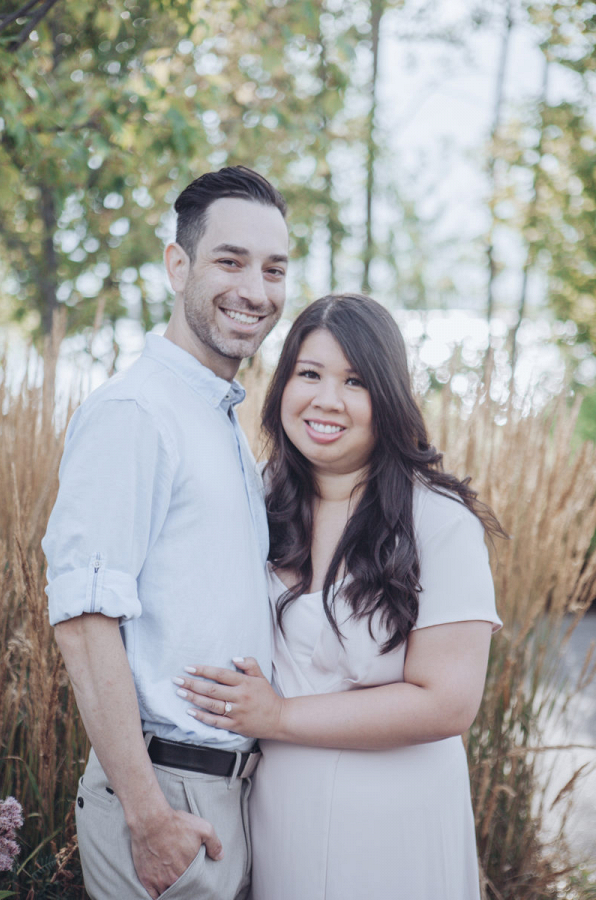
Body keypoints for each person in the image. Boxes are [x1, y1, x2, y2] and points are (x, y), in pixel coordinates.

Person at [172, 293, 505, 900]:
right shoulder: (256, 500)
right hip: (279, 818)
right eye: (309, 374)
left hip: (397, 823)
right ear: (282, 387)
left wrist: (278, 716)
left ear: (388, 397)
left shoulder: (438, 520)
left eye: (355, 381)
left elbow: (449, 703)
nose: (327, 399)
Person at [42, 165, 289, 900]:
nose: (256, 290)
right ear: (177, 264)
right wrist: (149, 816)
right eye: (230, 260)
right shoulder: (136, 413)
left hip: (226, 795)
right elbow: (84, 621)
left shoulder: (218, 419)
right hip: (164, 793)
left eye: (274, 269)